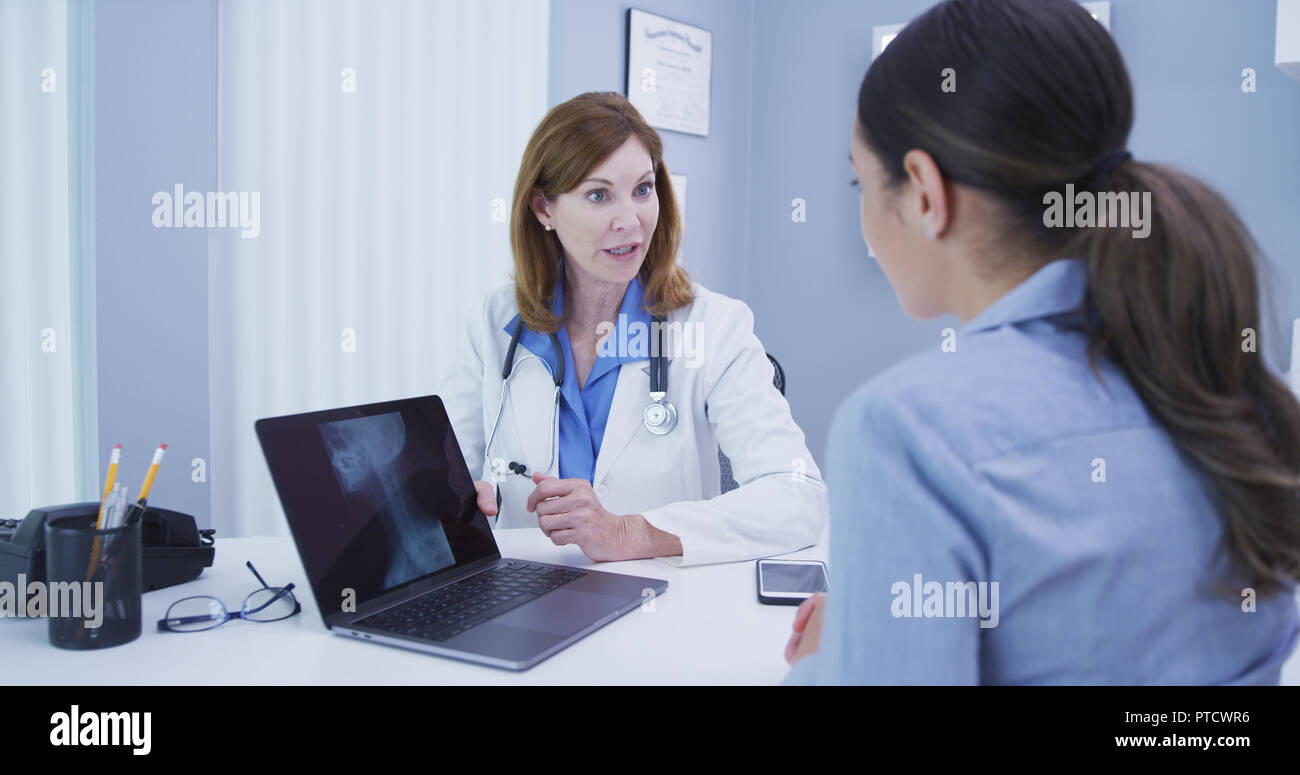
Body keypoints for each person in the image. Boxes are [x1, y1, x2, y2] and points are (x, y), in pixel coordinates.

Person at [784, 0, 1300, 683]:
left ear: (923, 192)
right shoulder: (1232, 385)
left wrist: (830, 660)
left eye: (860, 180)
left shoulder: (907, 431)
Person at [438, 92, 827, 566]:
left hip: (659, 609)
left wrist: (631, 533)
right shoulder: (494, 323)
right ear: (544, 209)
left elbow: (797, 496)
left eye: (643, 189)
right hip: (523, 599)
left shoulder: (715, 327)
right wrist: (459, 503)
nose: (630, 221)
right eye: (599, 195)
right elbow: (447, 474)